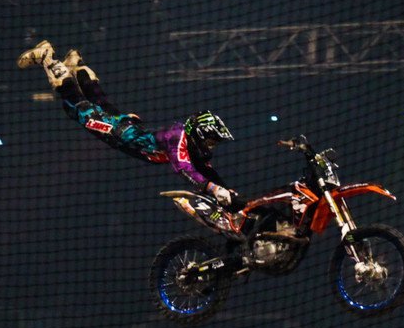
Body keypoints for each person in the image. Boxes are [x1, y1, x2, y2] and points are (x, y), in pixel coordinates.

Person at [16, 40, 246, 227]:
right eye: (211, 140)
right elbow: (184, 169)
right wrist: (215, 190)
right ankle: (48, 57)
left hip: (128, 130)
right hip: (120, 133)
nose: (211, 146)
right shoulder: (178, 137)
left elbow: (205, 170)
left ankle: (77, 65)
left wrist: (228, 193)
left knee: (99, 101)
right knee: (77, 107)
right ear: (200, 132)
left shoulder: (187, 142)